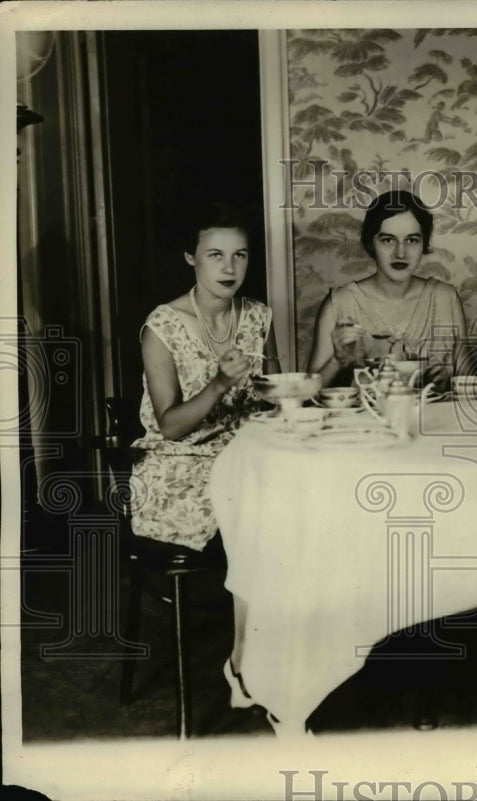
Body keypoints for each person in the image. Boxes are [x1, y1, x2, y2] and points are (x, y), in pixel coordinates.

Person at [129, 200, 278, 715]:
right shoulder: (162, 326)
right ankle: (245, 663)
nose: (230, 268)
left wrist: (335, 363)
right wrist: (218, 383)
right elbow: (169, 425)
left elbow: (276, 395)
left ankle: (285, 655)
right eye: (216, 255)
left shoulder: (257, 316)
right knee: (262, 515)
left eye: (240, 255)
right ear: (191, 257)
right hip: (178, 472)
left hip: (247, 455)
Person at [307, 190, 467, 389]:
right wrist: (337, 360)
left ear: (423, 243)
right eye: (388, 240)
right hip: (363, 420)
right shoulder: (339, 303)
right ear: (370, 243)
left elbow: (469, 386)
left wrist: (448, 376)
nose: (400, 253)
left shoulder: (446, 299)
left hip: (434, 419)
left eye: (412, 240)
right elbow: (307, 396)